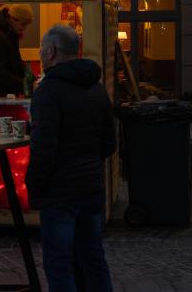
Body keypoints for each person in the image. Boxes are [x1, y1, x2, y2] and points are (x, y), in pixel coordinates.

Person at [26, 25, 116, 292]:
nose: (41, 53)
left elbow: (44, 149)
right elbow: (110, 141)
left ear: (51, 51)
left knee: (59, 264)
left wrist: (34, 185)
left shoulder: (48, 92)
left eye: (42, 48)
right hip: (91, 188)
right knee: (93, 260)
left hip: (60, 193)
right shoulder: (97, 88)